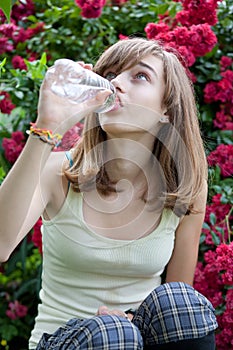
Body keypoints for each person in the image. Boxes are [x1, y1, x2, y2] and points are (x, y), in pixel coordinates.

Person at [0, 38, 218, 349]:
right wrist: (47, 128)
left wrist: (130, 321)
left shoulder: (184, 187)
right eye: (112, 73)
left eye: (139, 76)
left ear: (167, 110)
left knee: (180, 306)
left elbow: (176, 300)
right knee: (111, 334)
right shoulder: (57, 171)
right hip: (64, 341)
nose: (116, 83)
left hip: (137, 338)